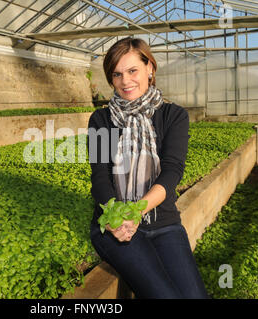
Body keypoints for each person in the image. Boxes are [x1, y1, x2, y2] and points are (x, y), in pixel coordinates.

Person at [87, 37, 209, 299]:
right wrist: (118, 217)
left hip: (163, 222)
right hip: (115, 226)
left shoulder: (173, 116)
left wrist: (137, 210)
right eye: (117, 74)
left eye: (133, 71)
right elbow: (99, 176)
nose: (125, 81)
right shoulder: (100, 120)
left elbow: (172, 171)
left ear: (150, 68)